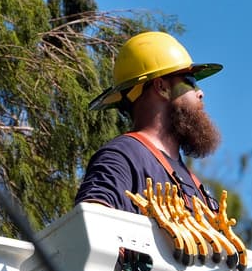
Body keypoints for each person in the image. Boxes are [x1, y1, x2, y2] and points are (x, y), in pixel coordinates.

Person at [75, 31, 223, 214]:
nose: (200, 93)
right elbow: (92, 222)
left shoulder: (195, 186)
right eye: (190, 81)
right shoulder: (122, 156)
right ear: (162, 87)